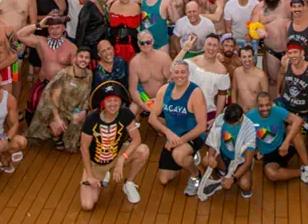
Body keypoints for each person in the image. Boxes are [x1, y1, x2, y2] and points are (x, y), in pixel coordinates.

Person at [78, 81, 149, 209]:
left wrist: (123, 158)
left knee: (143, 150)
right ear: (102, 103)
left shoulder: (125, 114)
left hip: (117, 154)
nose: (113, 104)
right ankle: (104, 174)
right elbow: (84, 148)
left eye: (116, 100)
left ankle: (129, 182)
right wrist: (89, 175)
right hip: (97, 163)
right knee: (87, 205)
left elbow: (136, 139)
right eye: (109, 101)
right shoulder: (92, 119)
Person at [149, 59, 209, 195]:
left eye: (183, 72)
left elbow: (201, 127)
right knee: (164, 179)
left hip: (193, 134)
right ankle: (188, 157)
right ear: (172, 74)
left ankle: (195, 175)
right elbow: (152, 118)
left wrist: (178, 142)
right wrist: (168, 134)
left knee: (178, 154)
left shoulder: (195, 93)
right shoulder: (164, 90)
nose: (180, 75)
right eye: (177, 72)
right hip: (173, 136)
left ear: (188, 74)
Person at [28, 46, 92, 151]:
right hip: (59, 109)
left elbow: (87, 96)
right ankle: (56, 138)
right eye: (81, 56)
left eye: (86, 57)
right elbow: (54, 97)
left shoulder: (89, 74)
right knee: (56, 128)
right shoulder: (64, 74)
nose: (83, 60)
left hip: (76, 110)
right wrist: (57, 118)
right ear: (75, 58)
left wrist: (84, 111)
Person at [246, 90, 308, 185]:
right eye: (261, 106)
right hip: (269, 154)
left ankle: (307, 166)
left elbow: (298, 120)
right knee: (271, 173)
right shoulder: (250, 117)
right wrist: (255, 152)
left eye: (267, 105)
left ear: (271, 104)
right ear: (257, 106)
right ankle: (303, 172)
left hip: (285, 145)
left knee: (292, 128)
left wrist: (286, 143)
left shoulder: (277, 111)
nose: (265, 108)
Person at [197, 102, 258, 200]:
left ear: (240, 119)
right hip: (223, 156)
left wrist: (233, 179)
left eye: (231, 123)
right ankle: (222, 172)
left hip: (239, 161)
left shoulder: (249, 129)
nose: (229, 125)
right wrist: (211, 156)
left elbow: (247, 162)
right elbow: (213, 141)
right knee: (205, 161)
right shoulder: (221, 119)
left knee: (245, 185)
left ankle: (229, 177)